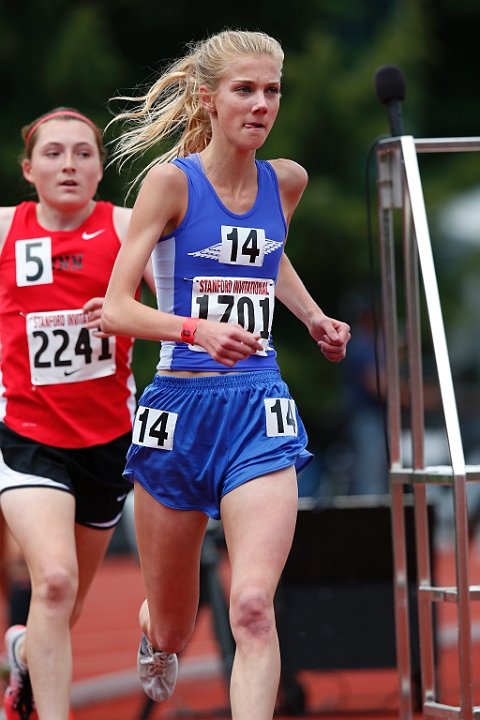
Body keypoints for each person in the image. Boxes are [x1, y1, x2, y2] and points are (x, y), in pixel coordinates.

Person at [102, 30, 351, 720]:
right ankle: (158, 631)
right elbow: (120, 308)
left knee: (250, 606)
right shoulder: (170, 182)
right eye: (246, 89)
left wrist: (312, 318)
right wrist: (196, 329)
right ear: (209, 100)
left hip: (258, 407)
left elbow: (267, 257)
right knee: (177, 625)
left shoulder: (287, 181)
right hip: (177, 409)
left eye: (272, 90)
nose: (262, 103)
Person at [0, 107, 153, 720]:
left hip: (109, 440)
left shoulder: (126, 227)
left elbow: (178, 298)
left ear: (99, 166)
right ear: (29, 168)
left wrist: (122, 314)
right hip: (27, 436)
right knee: (55, 582)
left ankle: (22, 652)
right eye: (55, 153)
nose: (69, 164)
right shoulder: (6, 229)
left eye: (84, 153)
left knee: (65, 607)